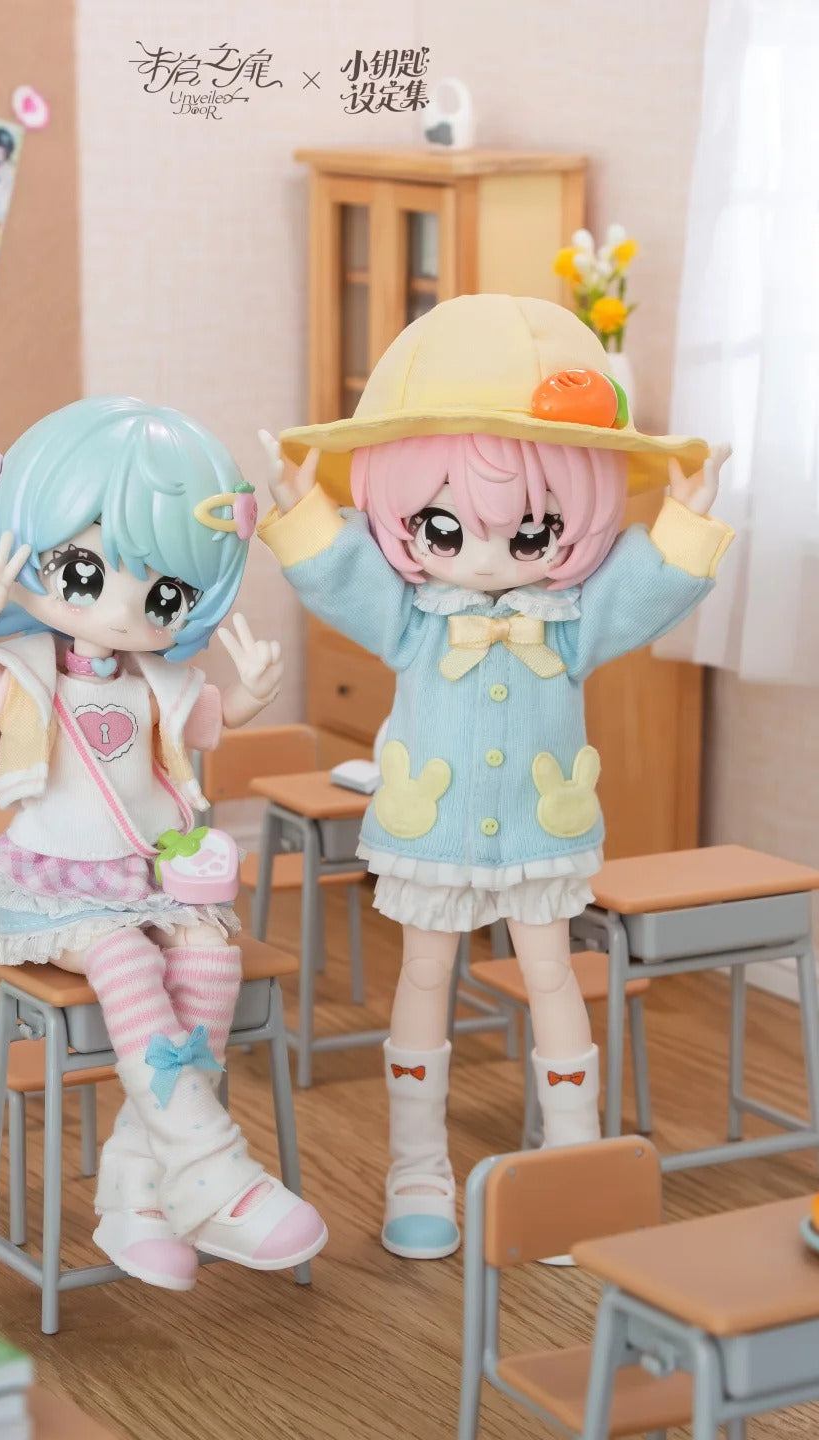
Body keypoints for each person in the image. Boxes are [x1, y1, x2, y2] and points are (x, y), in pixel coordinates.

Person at [259, 293, 733, 1260]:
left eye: (528, 533)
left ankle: (571, 1165)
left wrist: (686, 520)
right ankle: (416, 1169)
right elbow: (342, 576)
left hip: (540, 832)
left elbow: (648, 587)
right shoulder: (413, 619)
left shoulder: (576, 618)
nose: (485, 557)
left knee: (552, 975)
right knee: (424, 972)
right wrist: (302, 512)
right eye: (444, 528)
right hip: (430, 831)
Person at [0, 397, 327, 1292]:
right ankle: (215, 1174)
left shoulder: (159, 681)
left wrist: (251, 694)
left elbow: (212, 721)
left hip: (146, 876)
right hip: (54, 885)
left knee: (210, 957)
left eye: (164, 595)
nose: (127, 611)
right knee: (127, 961)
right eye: (88, 572)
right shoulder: (24, 675)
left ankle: (139, 1196)